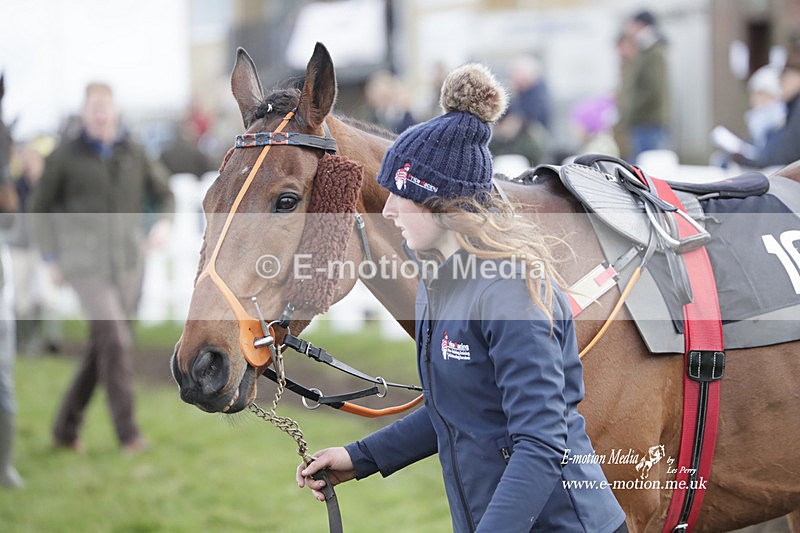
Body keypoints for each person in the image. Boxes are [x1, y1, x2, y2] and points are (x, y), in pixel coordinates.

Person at [296, 64, 627, 532]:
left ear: (440, 205)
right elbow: (458, 409)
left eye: (400, 197)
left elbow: (541, 443)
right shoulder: (437, 282)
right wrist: (360, 457)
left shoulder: (512, 292)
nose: (388, 211)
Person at [30, 82, 174, 454]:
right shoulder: (64, 156)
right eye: (93, 107)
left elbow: (165, 193)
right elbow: (39, 209)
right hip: (83, 266)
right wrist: (51, 258)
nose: (99, 114)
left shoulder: (133, 151)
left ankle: (65, 427)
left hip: (128, 264)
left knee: (104, 348)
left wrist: (162, 223)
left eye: (105, 107)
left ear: (114, 111)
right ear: (84, 112)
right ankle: (129, 435)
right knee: (114, 340)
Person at [732, 53, 800, 168]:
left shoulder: (792, 111)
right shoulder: (791, 108)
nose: (780, 82)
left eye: (784, 76)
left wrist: (746, 160)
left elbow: (785, 155)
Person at [625, 9, 671, 161]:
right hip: (644, 120)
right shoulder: (646, 50)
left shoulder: (653, 52)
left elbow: (653, 89)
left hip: (649, 120)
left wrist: (631, 110)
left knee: (647, 170)